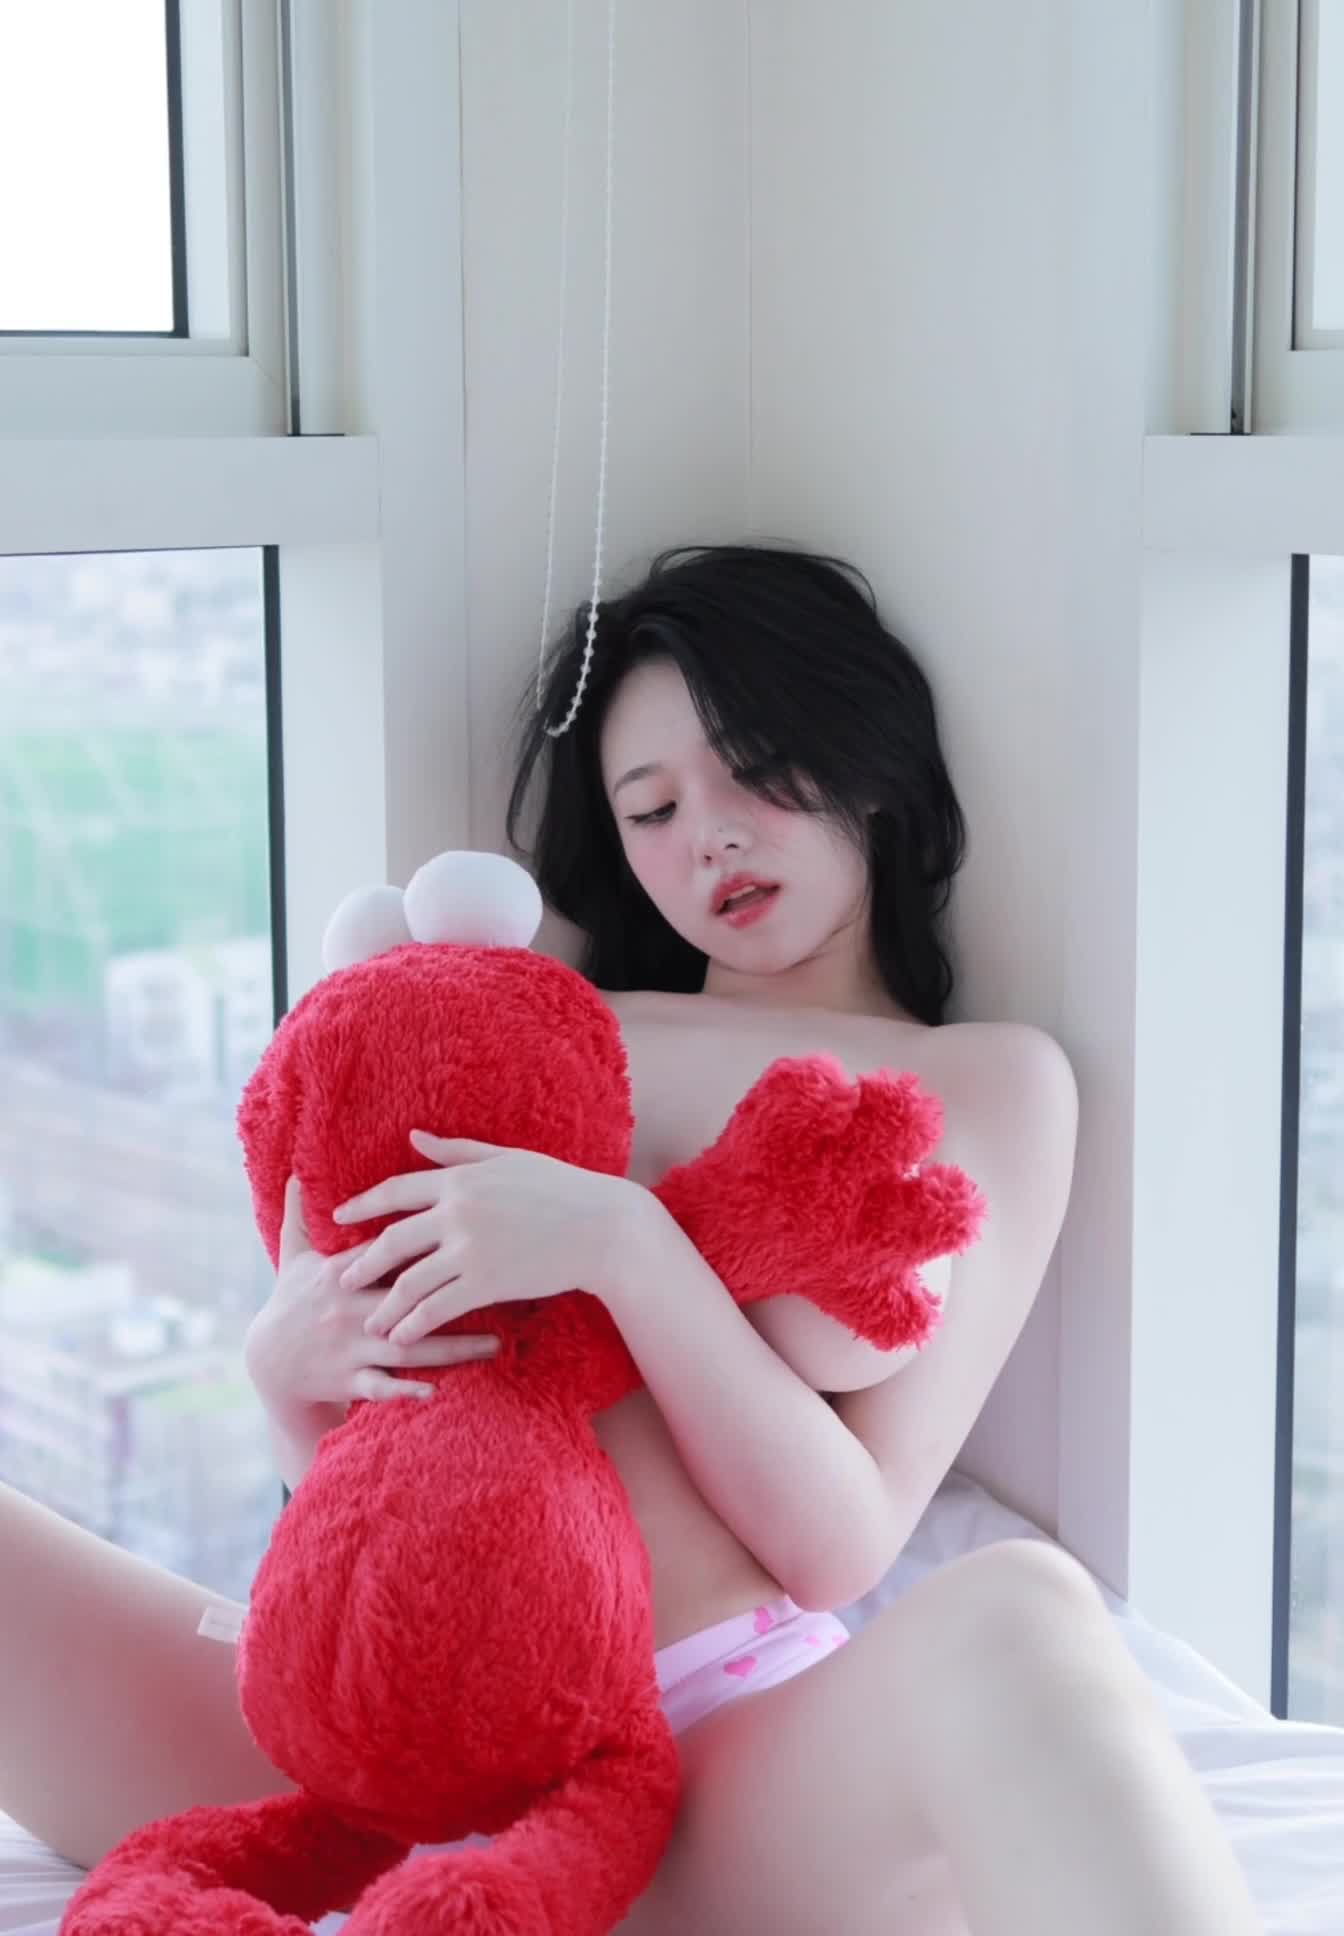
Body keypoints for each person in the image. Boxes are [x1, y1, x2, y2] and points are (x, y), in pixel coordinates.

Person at [0, 541, 1263, 1936]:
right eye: (652, 809)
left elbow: (843, 1544)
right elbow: (397, 1451)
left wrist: (629, 1249)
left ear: (869, 759)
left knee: (1021, 1614)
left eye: (753, 769)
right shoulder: (535, 1020)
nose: (707, 836)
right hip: (383, 1730)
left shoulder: (992, 1082)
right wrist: (280, 1370)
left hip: (697, 1767)